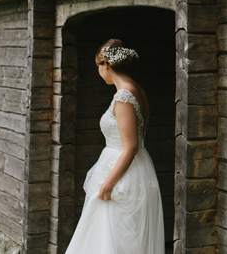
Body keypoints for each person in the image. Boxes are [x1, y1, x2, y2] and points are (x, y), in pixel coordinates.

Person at [65, 39, 165, 253]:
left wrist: (109, 183)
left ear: (106, 65)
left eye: (98, 66)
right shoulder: (136, 90)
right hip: (130, 167)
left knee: (116, 237)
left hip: (123, 174)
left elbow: (131, 147)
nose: (99, 72)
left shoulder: (124, 96)